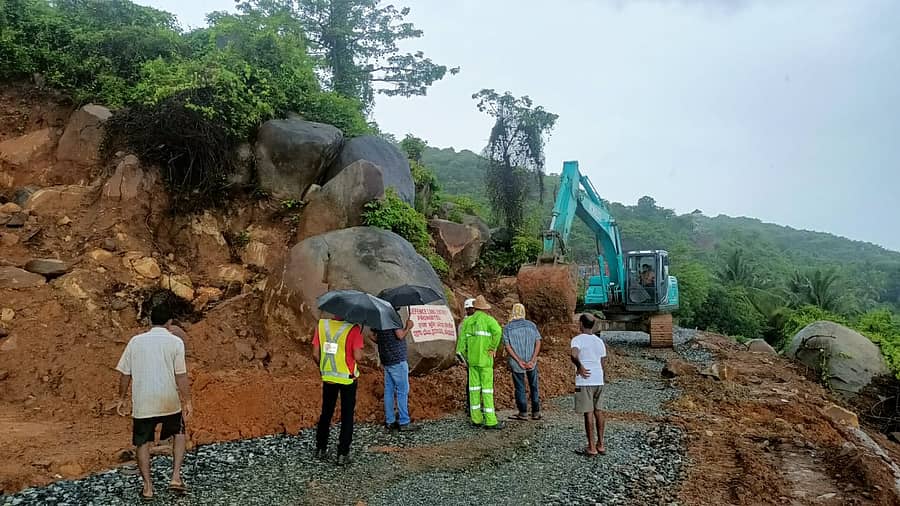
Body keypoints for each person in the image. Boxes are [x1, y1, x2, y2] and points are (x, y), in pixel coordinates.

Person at [115, 304, 192, 501]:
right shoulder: (175, 342)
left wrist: (122, 398)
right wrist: (187, 400)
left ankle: (148, 487)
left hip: (143, 402)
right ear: (169, 323)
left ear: (150, 321)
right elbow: (181, 375)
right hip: (169, 400)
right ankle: (175, 477)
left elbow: (125, 374)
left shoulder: (135, 342)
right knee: (179, 433)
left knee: (142, 443)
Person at [313, 313, 364, 465]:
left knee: (326, 412)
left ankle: (320, 448)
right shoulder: (354, 329)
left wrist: (323, 369)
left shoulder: (322, 326)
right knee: (347, 416)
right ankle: (342, 454)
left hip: (328, 378)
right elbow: (358, 356)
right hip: (348, 379)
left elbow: (315, 353)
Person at [456, 295, 503, 429]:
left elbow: (461, 345)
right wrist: (492, 348)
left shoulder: (467, 322)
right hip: (485, 361)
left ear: (474, 308)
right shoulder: (489, 320)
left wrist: (466, 357)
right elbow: (498, 332)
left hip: (472, 361)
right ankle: (490, 421)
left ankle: (476, 419)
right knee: (487, 390)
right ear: (485, 308)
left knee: (473, 389)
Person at [570, 313, 608, 457]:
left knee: (588, 413)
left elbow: (573, 355)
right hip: (599, 379)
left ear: (581, 324)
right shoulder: (599, 341)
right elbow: (603, 362)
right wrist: (602, 376)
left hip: (585, 380)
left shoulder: (577, 340)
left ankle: (591, 447)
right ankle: (601, 445)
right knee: (599, 411)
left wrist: (579, 366)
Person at [374, 311, 416, 431]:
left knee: (389, 390)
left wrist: (385, 343)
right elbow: (400, 335)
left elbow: (372, 336)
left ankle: (390, 421)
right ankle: (404, 421)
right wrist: (408, 327)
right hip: (397, 359)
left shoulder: (379, 317)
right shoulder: (393, 316)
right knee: (402, 391)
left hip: (386, 360)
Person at [502, 303, 542, 421]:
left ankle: (523, 413)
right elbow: (538, 341)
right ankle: (536, 412)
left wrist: (519, 360)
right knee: (534, 386)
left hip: (516, 363)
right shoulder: (531, 325)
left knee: (520, 387)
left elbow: (507, 346)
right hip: (532, 362)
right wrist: (533, 359)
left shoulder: (507, 328)